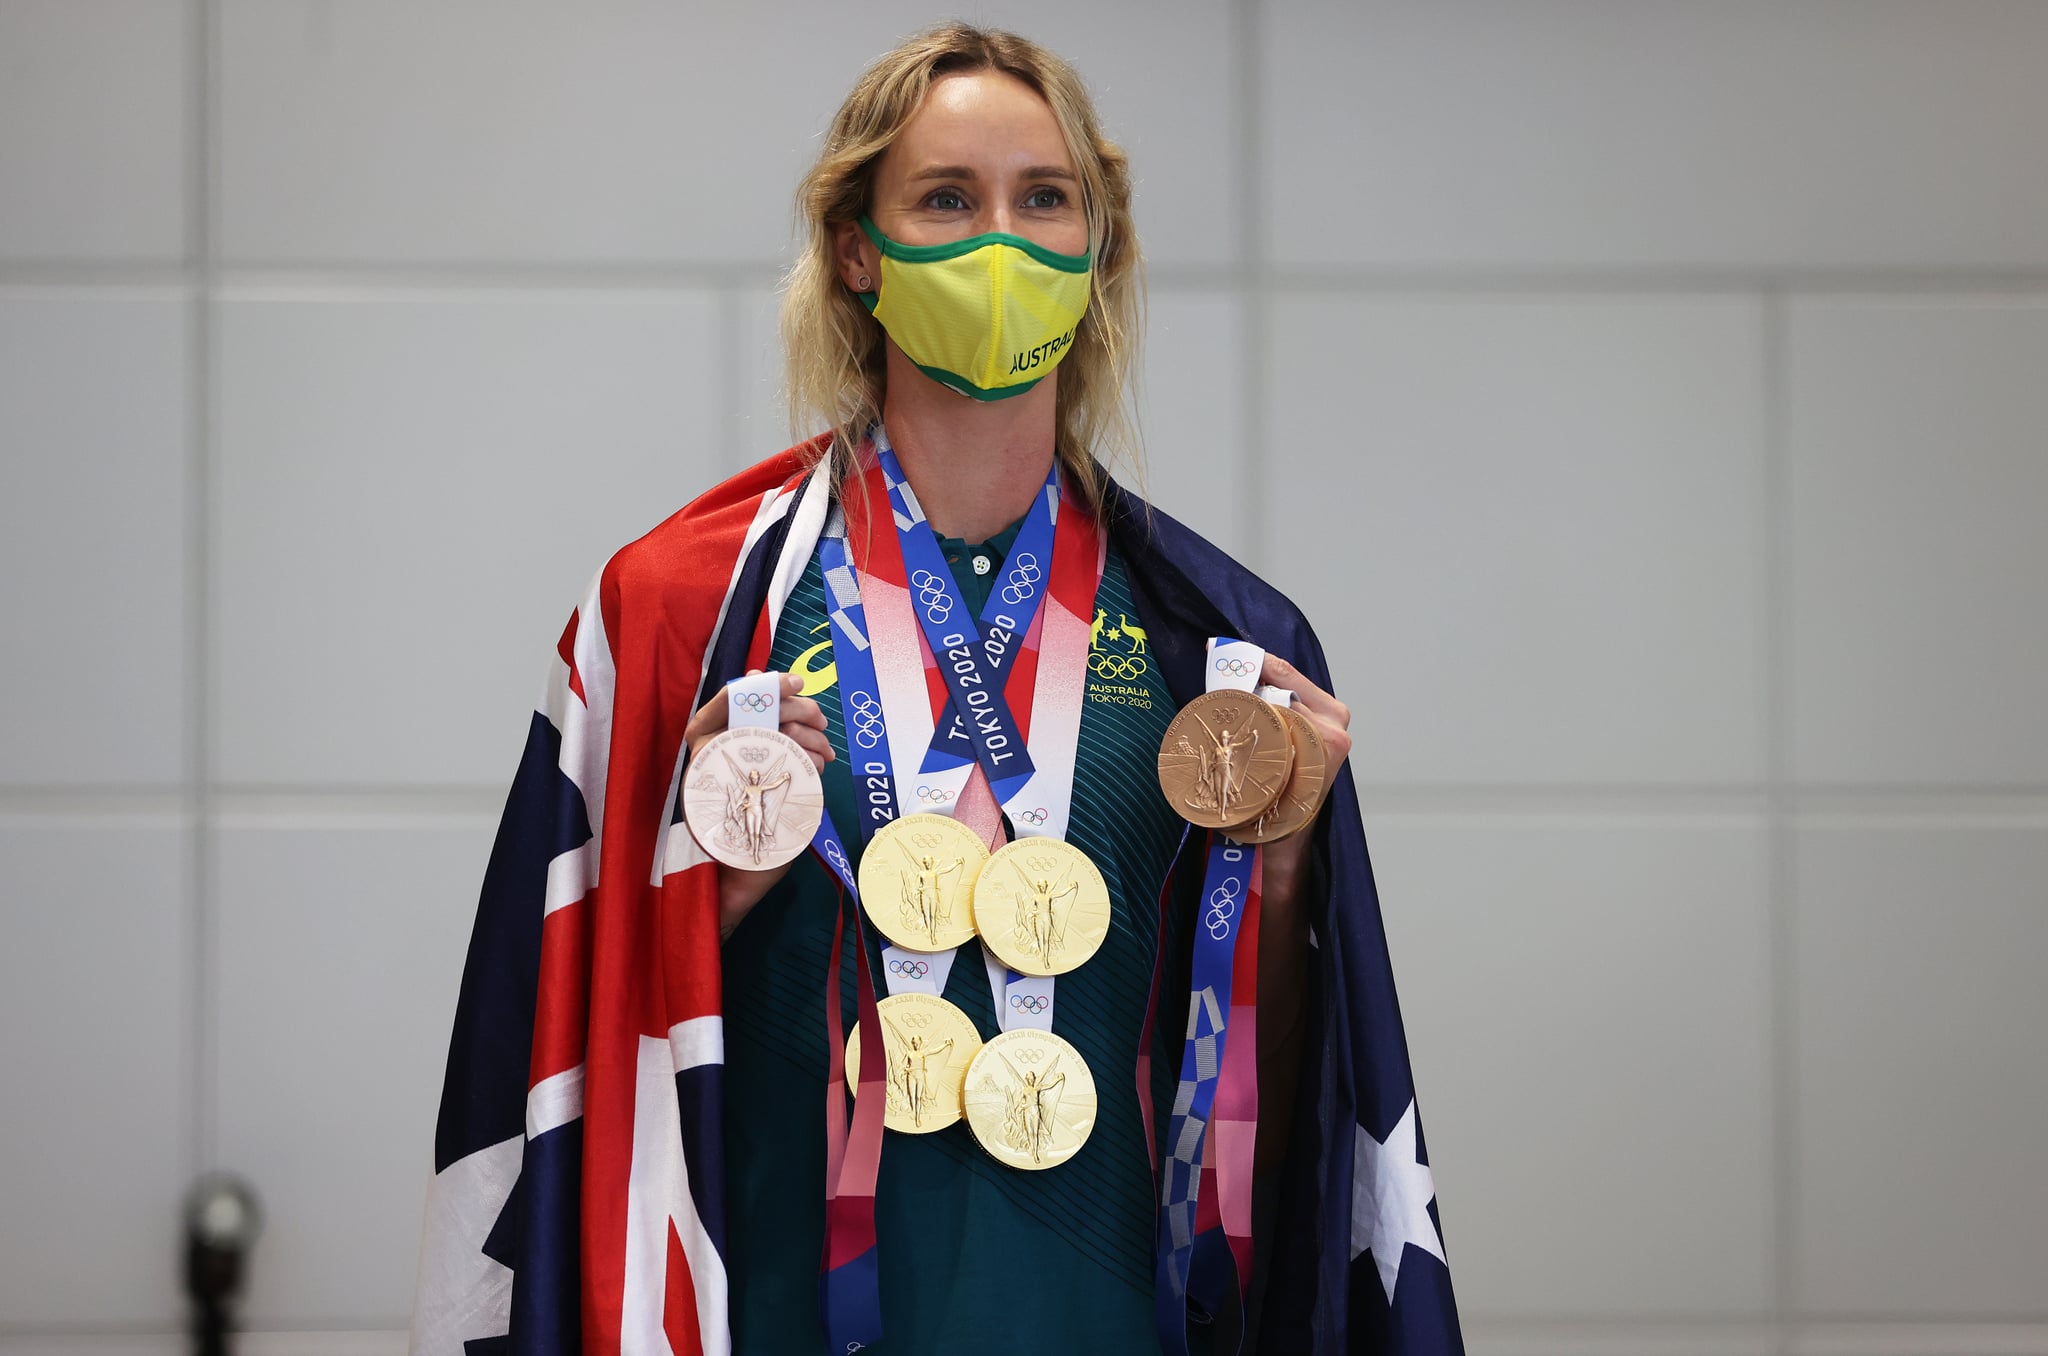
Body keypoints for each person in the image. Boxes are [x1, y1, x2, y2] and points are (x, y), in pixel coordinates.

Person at [413, 22, 1464, 1356]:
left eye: (1046, 199)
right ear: (859, 249)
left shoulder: (1226, 647)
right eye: (947, 199)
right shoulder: (678, 611)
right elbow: (551, 1042)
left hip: (1100, 1323)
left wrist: (1295, 873)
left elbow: (1308, 1103)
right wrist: (701, 899)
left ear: (1100, 255)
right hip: (788, 1313)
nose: (1001, 243)